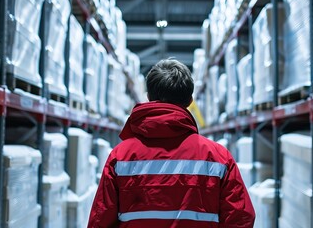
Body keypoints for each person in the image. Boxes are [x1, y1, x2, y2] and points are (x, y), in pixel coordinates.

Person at [88, 59, 255, 228]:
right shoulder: (218, 158)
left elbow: (100, 220)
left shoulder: (121, 157)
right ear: (190, 101)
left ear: (149, 98)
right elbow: (240, 218)